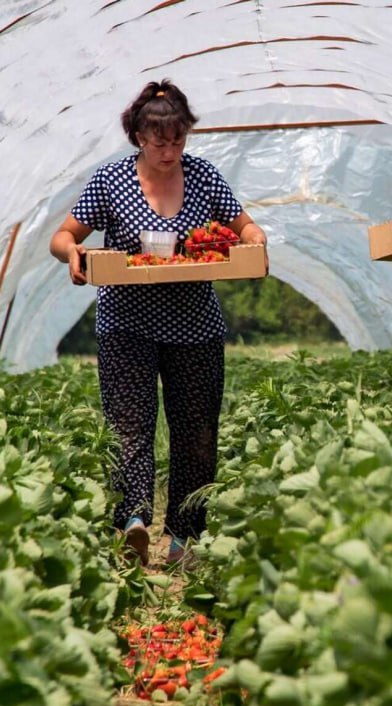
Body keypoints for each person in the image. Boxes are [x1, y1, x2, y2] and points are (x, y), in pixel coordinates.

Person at [49, 79, 267, 567]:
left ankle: (184, 537)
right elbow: (62, 236)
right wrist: (74, 252)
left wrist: (255, 238)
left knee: (196, 430)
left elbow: (243, 225)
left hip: (195, 326)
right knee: (131, 428)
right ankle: (135, 523)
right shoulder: (111, 181)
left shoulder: (205, 177)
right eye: (159, 141)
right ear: (138, 137)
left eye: (178, 140)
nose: (169, 151)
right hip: (126, 324)